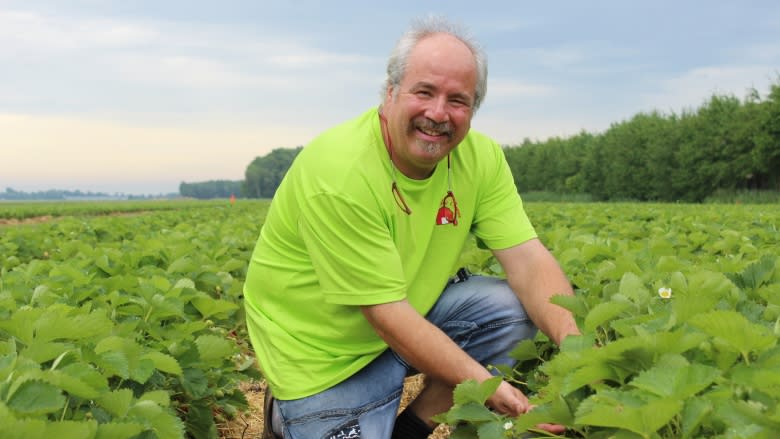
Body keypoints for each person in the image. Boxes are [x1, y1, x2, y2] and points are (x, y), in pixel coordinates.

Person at [243, 15, 580, 439]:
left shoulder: (481, 159)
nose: (438, 114)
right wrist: (498, 393)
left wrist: (582, 355)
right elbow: (386, 317)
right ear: (390, 92)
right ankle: (289, 416)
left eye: (457, 100)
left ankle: (412, 429)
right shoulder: (341, 171)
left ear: (473, 108)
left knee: (510, 311)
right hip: (322, 357)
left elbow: (529, 260)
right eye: (424, 92)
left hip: (408, 314)